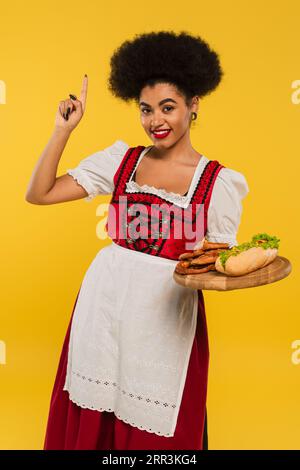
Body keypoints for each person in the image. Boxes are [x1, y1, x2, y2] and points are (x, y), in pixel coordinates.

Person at [26, 30, 249, 450]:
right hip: (104, 303)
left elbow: (218, 262)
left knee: (158, 419)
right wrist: (62, 130)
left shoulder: (218, 183)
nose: (155, 121)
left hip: (166, 316)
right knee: (96, 406)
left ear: (193, 104)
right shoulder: (121, 160)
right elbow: (39, 194)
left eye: (168, 107)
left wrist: (225, 268)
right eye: (146, 110)